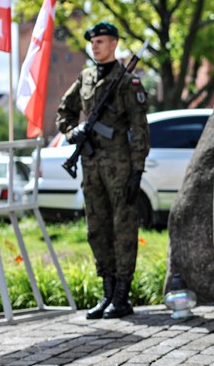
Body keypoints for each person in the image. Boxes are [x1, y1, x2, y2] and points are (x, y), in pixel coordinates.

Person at [56, 21, 150, 319]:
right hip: (91, 162)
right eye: (92, 42)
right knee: (96, 227)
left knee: (122, 227)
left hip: (120, 165)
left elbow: (140, 129)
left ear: (114, 44)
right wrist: (74, 132)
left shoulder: (127, 82)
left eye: (100, 41)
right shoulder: (84, 77)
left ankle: (122, 295)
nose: (94, 46)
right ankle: (107, 291)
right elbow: (64, 113)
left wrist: (137, 170)